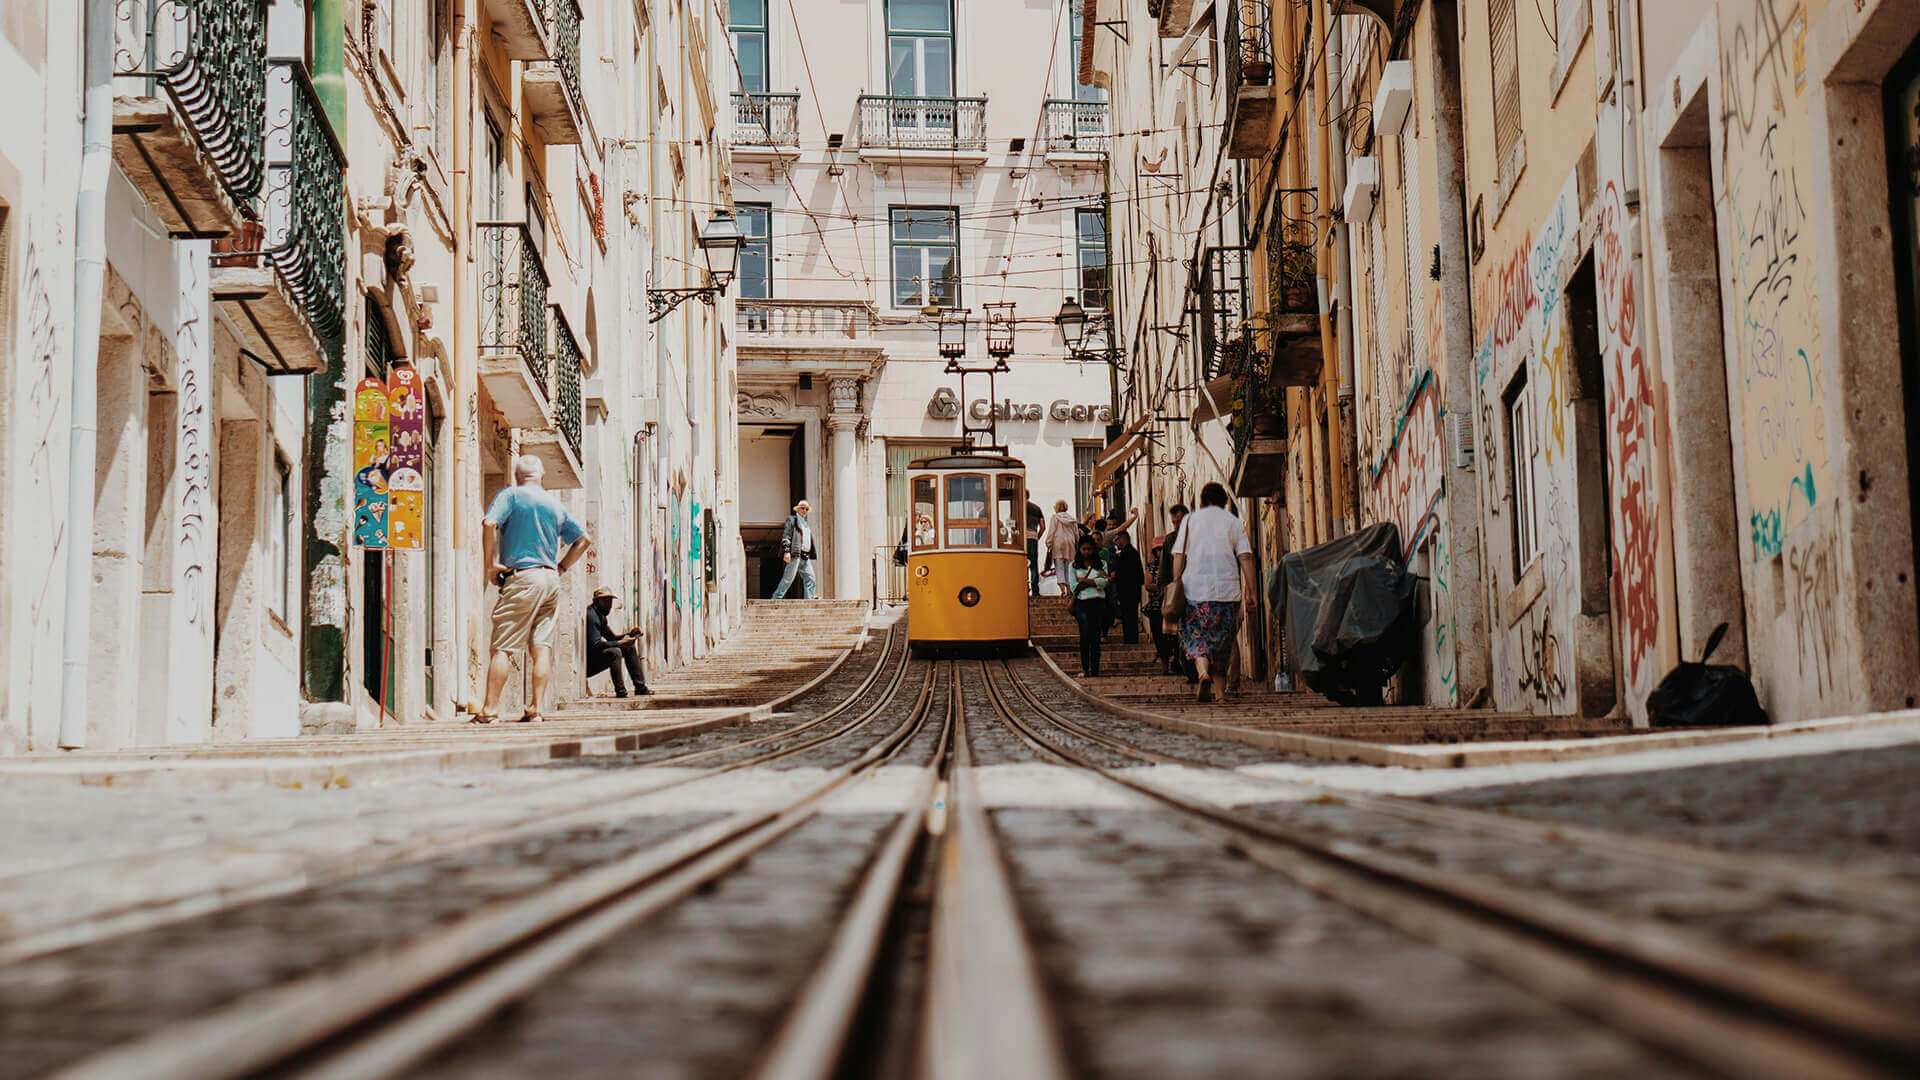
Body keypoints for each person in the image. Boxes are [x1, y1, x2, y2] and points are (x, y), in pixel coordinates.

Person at [476, 455, 592, 724]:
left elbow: (489, 523)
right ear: (541, 476)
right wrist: (561, 568)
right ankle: (536, 708)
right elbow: (584, 539)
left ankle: (490, 710)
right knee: (541, 646)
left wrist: (490, 565)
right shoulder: (555, 504)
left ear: (517, 476)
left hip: (523, 577)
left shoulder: (511, 495)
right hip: (550, 579)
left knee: (502, 647)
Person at [1170, 483, 1257, 703]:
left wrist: (1175, 582)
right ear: (1224, 501)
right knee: (1222, 644)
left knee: (1196, 637)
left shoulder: (1190, 521)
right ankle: (1219, 695)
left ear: (1201, 501)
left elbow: (1178, 555)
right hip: (1227, 592)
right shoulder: (1233, 522)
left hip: (1194, 591)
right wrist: (1252, 591)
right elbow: (1245, 557)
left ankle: (1202, 674)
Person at [586, 586, 650, 697]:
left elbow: (612, 638)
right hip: (588, 665)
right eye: (605, 601)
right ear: (596, 601)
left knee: (628, 648)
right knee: (615, 652)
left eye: (610, 601)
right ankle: (621, 692)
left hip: (594, 658)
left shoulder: (601, 616)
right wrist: (619, 643)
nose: (609, 605)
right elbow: (596, 645)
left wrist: (630, 634)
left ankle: (641, 688)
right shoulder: (591, 616)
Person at [1067, 536, 1112, 677]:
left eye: (1089, 549)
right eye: (1084, 549)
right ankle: (1085, 668)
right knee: (1085, 635)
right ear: (1079, 550)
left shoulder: (1102, 564)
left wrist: (1085, 581)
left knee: (1095, 636)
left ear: (1094, 549)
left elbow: (1105, 583)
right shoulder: (1073, 566)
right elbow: (1074, 586)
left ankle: (1095, 669)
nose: (1087, 552)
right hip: (1082, 603)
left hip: (1098, 603)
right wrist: (1095, 581)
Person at [1107, 529, 1146, 645]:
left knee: (1129, 618)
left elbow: (1122, 573)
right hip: (1133, 591)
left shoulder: (1126, 553)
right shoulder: (1132, 552)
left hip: (1127, 592)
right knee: (1131, 617)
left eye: (1117, 540)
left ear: (1122, 539)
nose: (1115, 543)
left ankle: (1130, 641)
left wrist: (1115, 576)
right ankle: (1131, 640)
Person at [772, 499, 817, 599]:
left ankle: (810, 599)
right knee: (788, 578)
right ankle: (776, 598)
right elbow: (786, 535)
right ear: (797, 509)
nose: (804, 510)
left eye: (806, 509)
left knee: (811, 579)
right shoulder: (792, 520)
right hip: (796, 554)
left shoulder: (805, 524)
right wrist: (787, 551)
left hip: (805, 556)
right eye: (802, 508)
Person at [1041, 499, 1079, 592]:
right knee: (1069, 567)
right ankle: (1069, 590)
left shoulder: (1055, 517)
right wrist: (1077, 543)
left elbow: (1052, 531)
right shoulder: (1072, 519)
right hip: (1070, 543)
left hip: (1058, 543)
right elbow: (1076, 534)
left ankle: (1062, 590)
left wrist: (1048, 542)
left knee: (1059, 566)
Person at [1025, 499, 1045, 595]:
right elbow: (1043, 526)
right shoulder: (1037, 508)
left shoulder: (1019, 506)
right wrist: (1037, 537)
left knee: (1022, 565)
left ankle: (1024, 587)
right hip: (1033, 537)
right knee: (1033, 565)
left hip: (1022, 538)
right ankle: (1035, 590)